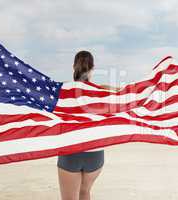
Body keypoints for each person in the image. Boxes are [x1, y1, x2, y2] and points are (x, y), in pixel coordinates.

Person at [57, 50, 118, 200]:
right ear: (92, 68)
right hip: (95, 153)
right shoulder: (102, 90)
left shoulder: (63, 89)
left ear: (74, 66)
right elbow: (127, 93)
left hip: (71, 151)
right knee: (84, 193)